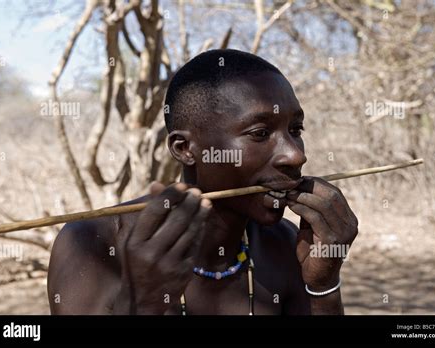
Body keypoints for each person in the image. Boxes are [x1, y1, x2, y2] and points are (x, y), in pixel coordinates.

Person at [48, 49, 358, 315]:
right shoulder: (93, 243)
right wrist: (144, 303)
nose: (295, 156)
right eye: (260, 134)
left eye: (296, 130)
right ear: (185, 149)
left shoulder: (287, 244)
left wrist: (323, 286)